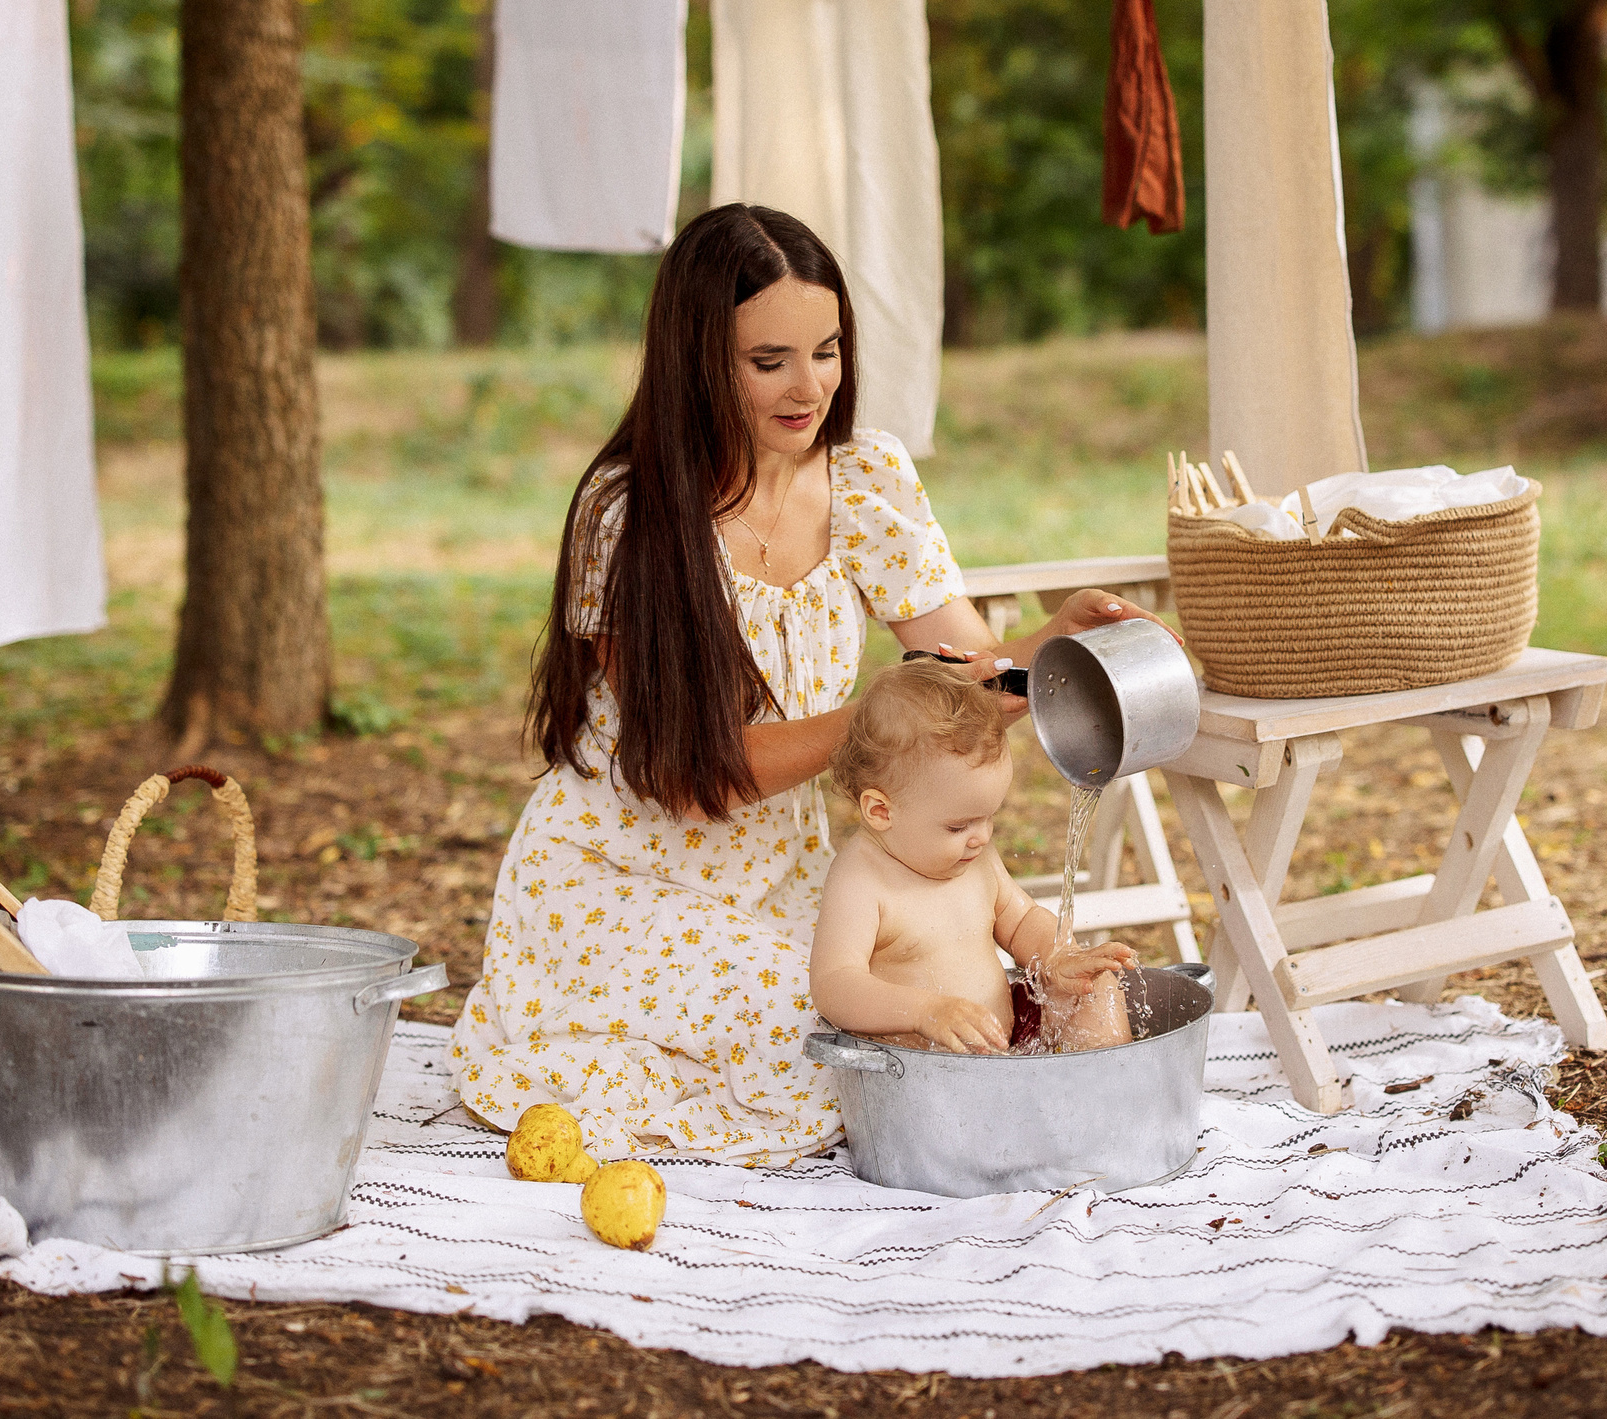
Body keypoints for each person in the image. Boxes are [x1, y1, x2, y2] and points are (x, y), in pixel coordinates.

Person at [447, 204, 1165, 1164]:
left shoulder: (867, 479)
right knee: (835, 1035)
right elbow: (700, 776)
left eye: (826, 350)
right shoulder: (630, 515)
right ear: (698, 359)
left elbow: (962, 673)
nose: (809, 386)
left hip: (789, 876)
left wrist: (1050, 649)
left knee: (944, 996)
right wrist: (872, 717)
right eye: (768, 360)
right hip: (629, 875)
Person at [809, 662, 1135, 1054]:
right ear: (881, 811)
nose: (981, 837)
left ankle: (1109, 1088)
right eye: (957, 826)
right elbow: (835, 985)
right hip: (923, 1065)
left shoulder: (972, 856)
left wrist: (1057, 956)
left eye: (989, 817)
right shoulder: (861, 880)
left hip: (1008, 1041)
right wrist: (925, 1012)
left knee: (1097, 986)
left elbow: (1021, 921)